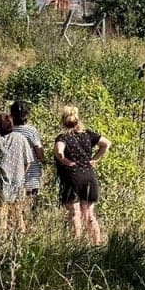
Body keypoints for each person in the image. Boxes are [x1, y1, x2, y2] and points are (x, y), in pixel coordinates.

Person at [53, 105, 111, 245]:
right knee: (90, 214)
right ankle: (96, 243)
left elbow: (59, 150)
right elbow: (107, 143)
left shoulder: (63, 137)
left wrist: (63, 159)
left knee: (75, 214)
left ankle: (76, 245)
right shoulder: (88, 135)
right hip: (89, 177)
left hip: (72, 178)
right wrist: (95, 159)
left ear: (63, 121)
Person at [8, 100, 46, 212]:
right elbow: (39, 153)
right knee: (29, 207)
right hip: (31, 175)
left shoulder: (8, 130)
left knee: (14, 208)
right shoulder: (31, 131)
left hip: (12, 174)